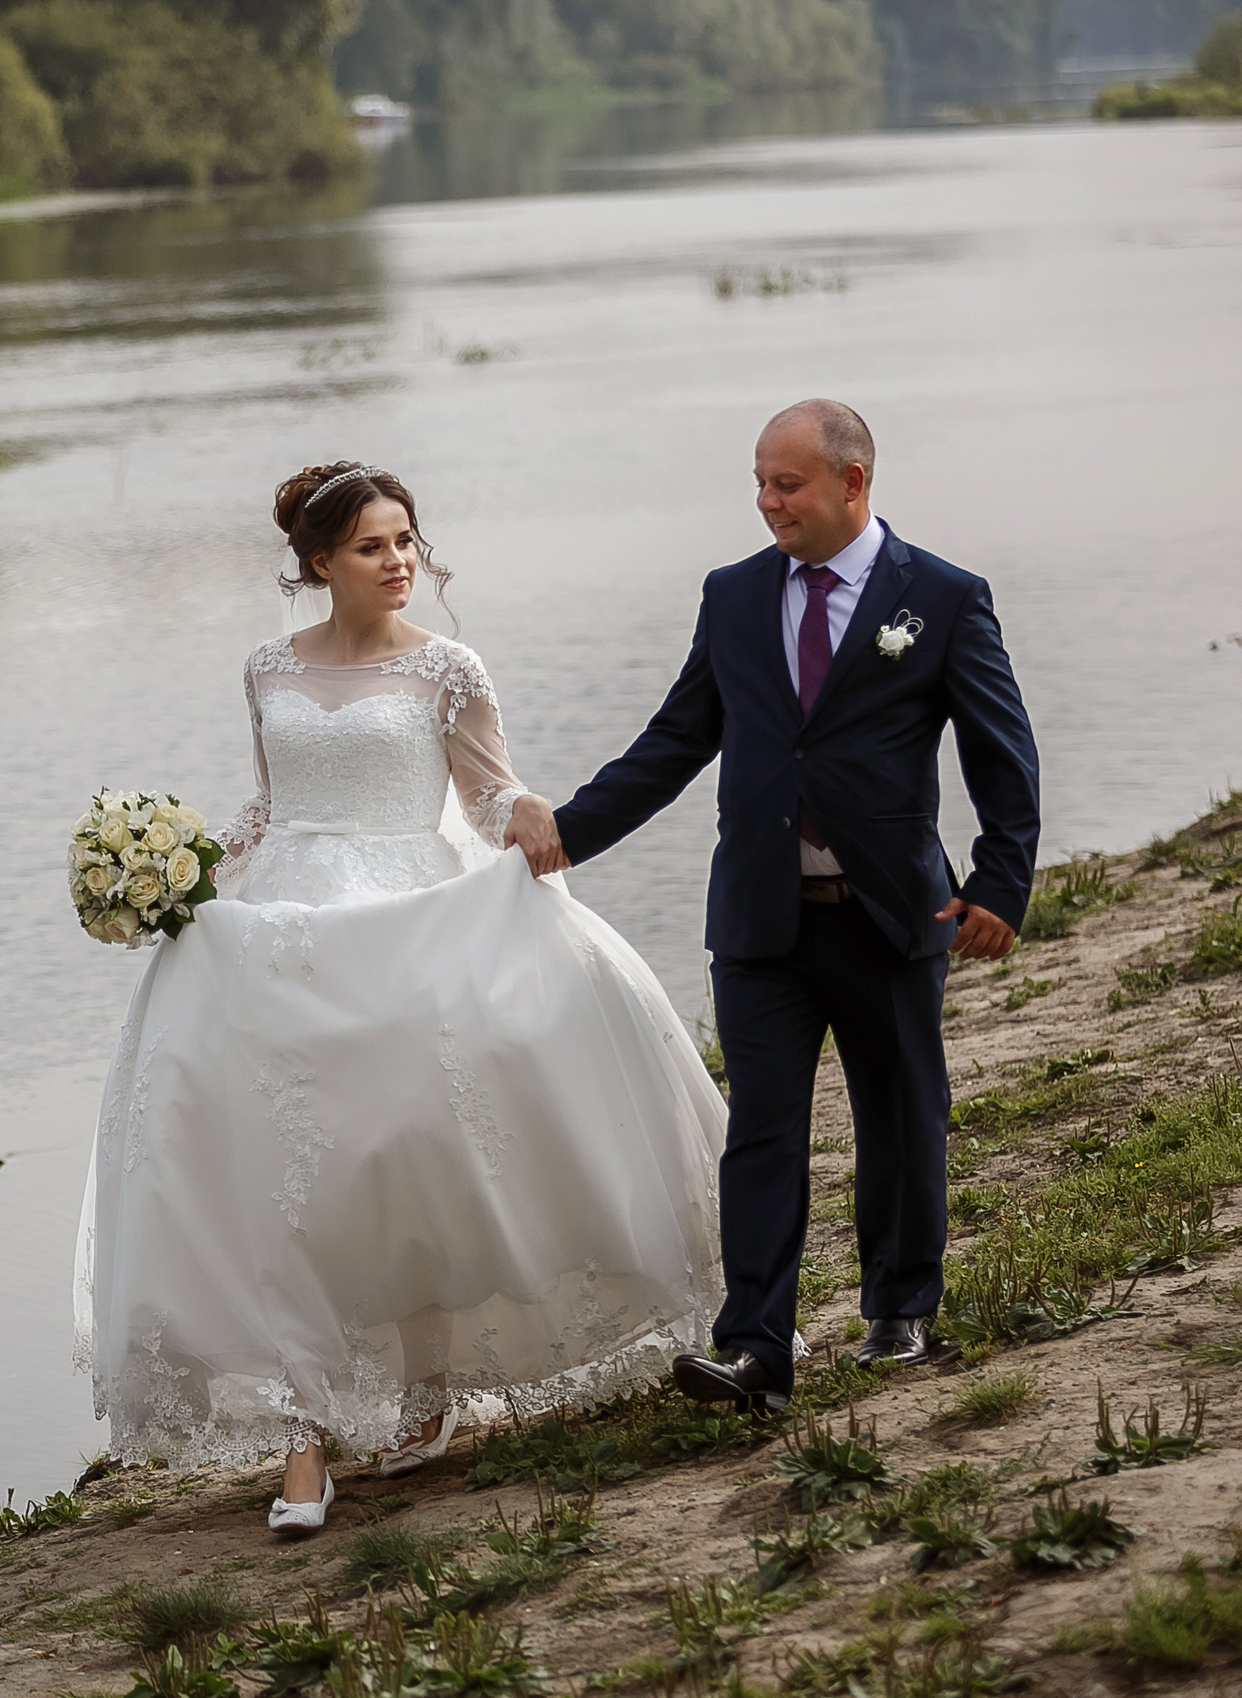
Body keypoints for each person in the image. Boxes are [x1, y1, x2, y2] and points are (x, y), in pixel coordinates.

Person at [74, 463, 727, 1534]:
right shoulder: (265, 667)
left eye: (408, 540)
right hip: (283, 932)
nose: (399, 560)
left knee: (410, 1149)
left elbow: (485, 790)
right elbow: (271, 803)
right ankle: (302, 1444)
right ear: (320, 562)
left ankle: (424, 1392)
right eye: (374, 545)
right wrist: (179, 872)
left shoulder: (450, 669)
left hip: (411, 922)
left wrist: (540, 821)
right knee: (288, 1171)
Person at [507, 400, 1040, 1412]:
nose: (766, 503)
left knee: (899, 1113)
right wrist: (569, 831)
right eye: (758, 482)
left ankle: (898, 1308)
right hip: (760, 916)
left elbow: (1001, 757)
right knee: (759, 1128)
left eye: (785, 484)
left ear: (851, 482)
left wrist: (998, 884)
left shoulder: (941, 596)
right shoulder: (735, 594)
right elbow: (676, 737)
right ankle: (753, 1347)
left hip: (892, 913)